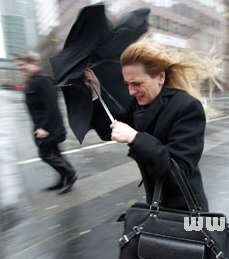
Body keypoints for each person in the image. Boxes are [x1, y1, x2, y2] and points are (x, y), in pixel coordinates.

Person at [84, 37, 209, 211]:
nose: (131, 91)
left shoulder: (187, 107)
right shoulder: (139, 105)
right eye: (127, 84)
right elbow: (108, 130)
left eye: (137, 83)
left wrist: (135, 138)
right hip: (157, 204)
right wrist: (95, 93)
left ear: (160, 77)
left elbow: (177, 171)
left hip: (185, 209)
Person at [15, 52, 78, 195]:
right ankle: (62, 179)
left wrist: (45, 128)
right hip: (41, 126)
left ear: (33, 63)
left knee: (45, 153)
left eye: (22, 65)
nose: (20, 68)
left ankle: (70, 173)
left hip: (49, 127)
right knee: (55, 153)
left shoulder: (43, 80)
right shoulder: (32, 80)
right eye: (19, 65)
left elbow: (51, 106)